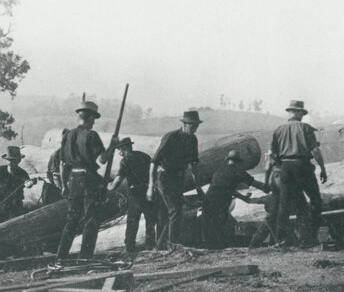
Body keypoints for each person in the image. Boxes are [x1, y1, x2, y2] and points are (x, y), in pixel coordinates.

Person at [55, 101, 110, 262]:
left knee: (72, 219)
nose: (94, 122)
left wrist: (64, 185)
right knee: (91, 218)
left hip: (73, 180)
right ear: (90, 117)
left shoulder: (68, 135)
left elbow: (62, 163)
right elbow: (103, 159)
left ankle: (61, 256)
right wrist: (112, 146)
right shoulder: (92, 135)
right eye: (94, 118)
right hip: (88, 180)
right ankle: (85, 256)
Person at [269, 100, 327, 247]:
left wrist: (280, 168)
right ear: (299, 113)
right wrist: (323, 168)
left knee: (285, 203)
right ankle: (309, 237)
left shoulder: (278, 130)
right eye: (301, 113)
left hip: (285, 168)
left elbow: (272, 155)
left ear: (289, 113)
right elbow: (315, 151)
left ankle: (282, 239)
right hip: (302, 166)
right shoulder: (306, 128)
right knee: (315, 200)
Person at [148, 110, 205, 249]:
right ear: (185, 124)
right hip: (165, 178)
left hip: (179, 179)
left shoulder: (193, 140)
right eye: (192, 125)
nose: (195, 128)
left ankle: (161, 246)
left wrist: (198, 186)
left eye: (196, 126)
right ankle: (173, 245)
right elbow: (154, 162)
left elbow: (195, 164)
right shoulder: (171, 137)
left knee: (172, 213)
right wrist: (150, 186)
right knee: (175, 211)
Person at [202, 150, 269, 249]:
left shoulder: (219, 170)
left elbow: (227, 188)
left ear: (228, 160)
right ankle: (221, 251)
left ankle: (211, 252)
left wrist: (243, 198)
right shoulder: (238, 171)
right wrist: (269, 188)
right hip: (219, 205)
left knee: (211, 232)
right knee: (223, 229)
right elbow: (256, 184)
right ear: (238, 162)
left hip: (207, 203)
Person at [107, 137, 158, 257]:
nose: (119, 152)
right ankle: (150, 246)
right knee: (150, 221)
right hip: (148, 191)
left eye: (119, 149)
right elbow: (154, 171)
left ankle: (130, 248)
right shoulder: (144, 156)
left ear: (123, 148)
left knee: (132, 222)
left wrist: (109, 186)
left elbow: (117, 181)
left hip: (135, 194)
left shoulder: (125, 161)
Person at [0, 146, 33, 226]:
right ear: (6, 160)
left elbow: (27, 184)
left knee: (14, 228)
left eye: (13, 160)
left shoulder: (22, 173)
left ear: (19, 160)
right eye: (9, 160)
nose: (11, 162)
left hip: (15, 208)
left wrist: (31, 182)